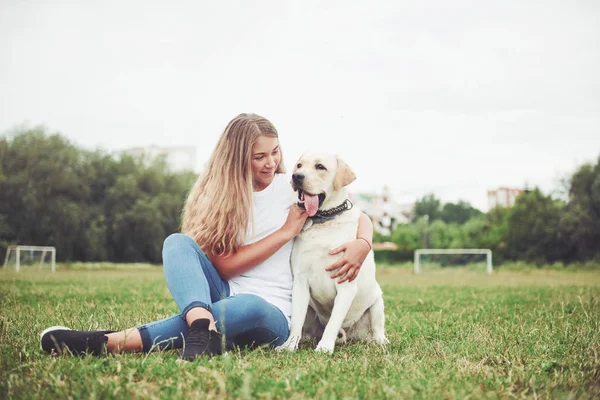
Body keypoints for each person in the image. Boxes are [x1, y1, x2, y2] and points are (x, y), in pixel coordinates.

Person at [40, 113, 374, 361]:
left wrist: (363, 243)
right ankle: (202, 327)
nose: (271, 163)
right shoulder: (222, 198)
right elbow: (225, 268)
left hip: (274, 312)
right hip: (225, 292)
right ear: (238, 157)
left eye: (275, 152)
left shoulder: (293, 187)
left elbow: (352, 213)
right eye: (260, 156)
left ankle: (108, 343)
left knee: (250, 306)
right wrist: (286, 231)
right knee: (177, 243)